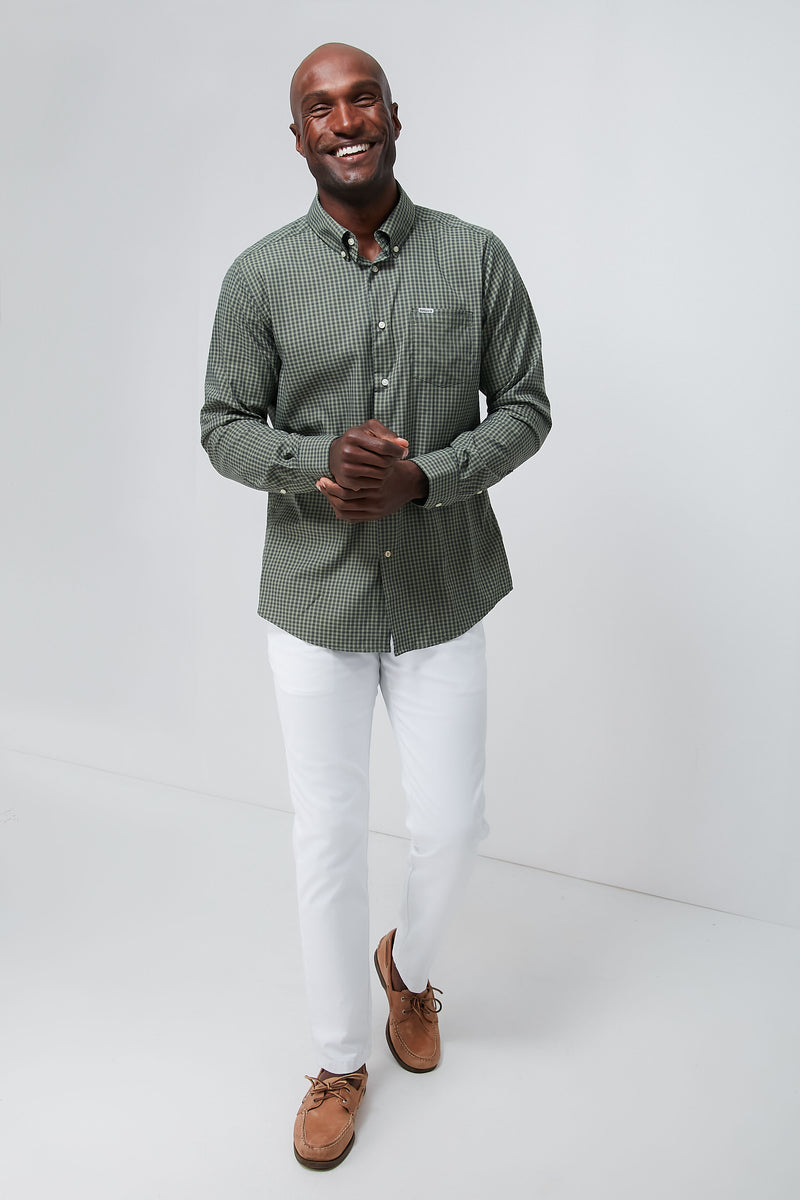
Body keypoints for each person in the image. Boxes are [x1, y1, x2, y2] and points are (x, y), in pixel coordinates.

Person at [201, 42, 551, 1170]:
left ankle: (409, 970)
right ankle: (338, 1059)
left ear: (394, 116)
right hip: (315, 598)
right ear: (297, 134)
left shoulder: (475, 256)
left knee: (453, 825)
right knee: (329, 834)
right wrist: (320, 464)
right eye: (320, 107)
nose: (344, 120)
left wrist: (426, 478)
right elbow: (221, 424)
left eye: (361, 100)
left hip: (444, 586)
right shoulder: (258, 276)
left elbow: (527, 406)